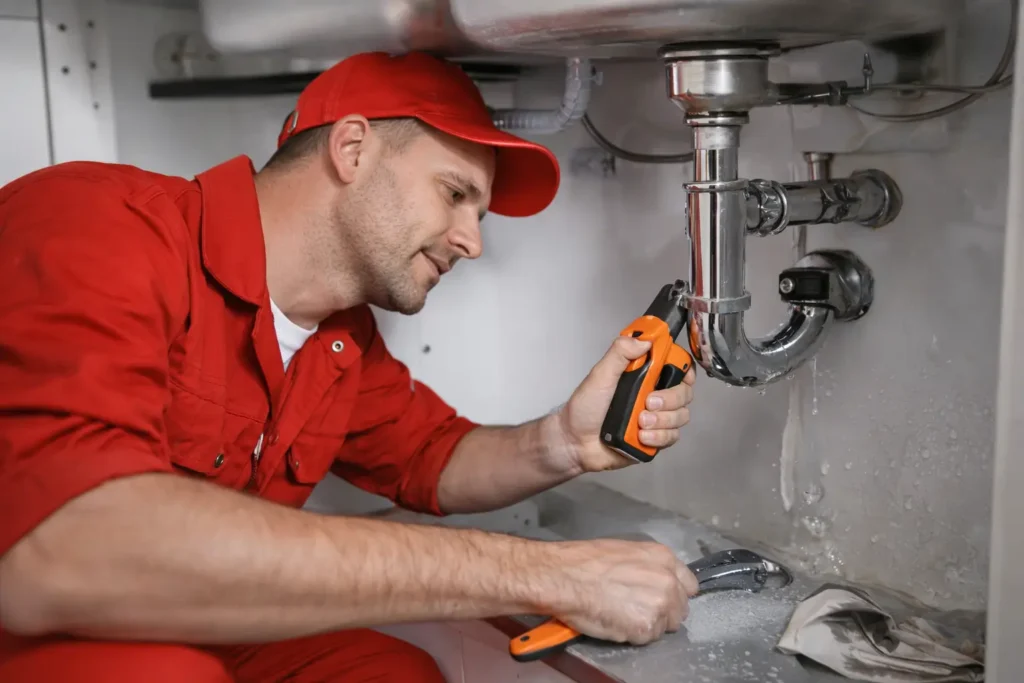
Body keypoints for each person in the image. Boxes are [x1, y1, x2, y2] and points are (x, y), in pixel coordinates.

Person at [0, 50, 698, 683]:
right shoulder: (101, 223)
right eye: (456, 194)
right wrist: (545, 575)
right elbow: (70, 545)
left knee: (391, 672)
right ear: (353, 148)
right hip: (45, 630)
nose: (472, 242)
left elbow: (431, 456)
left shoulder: (340, 338)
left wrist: (563, 441)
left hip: (199, 627)